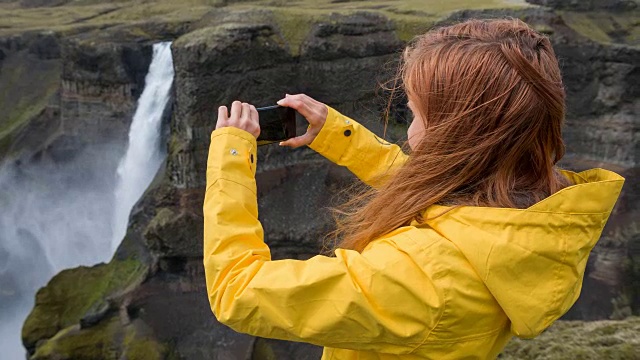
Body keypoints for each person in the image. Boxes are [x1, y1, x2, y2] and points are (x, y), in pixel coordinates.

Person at [203, 18, 624, 359]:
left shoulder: (417, 277)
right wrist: (335, 132)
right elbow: (443, 199)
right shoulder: (529, 220)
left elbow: (237, 291)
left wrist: (232, 157)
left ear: (455, 135)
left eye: (415, 114)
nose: (410, 133)